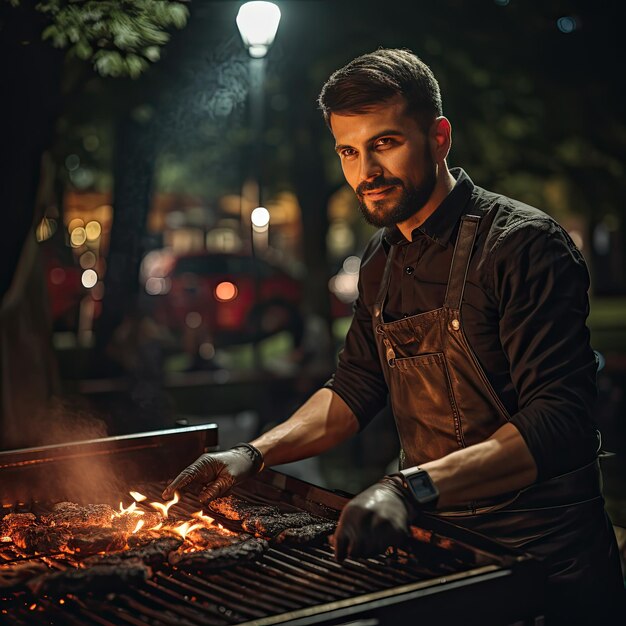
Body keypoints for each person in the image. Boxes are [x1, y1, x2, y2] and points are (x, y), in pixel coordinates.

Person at [163, 49, 624, 624]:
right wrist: (253, 454)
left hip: (547, 561)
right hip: (440, 547)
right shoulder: (381, 259)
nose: (365, 172)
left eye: (385, 143)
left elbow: (559, 421)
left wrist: (407, 490)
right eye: (349, 152)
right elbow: (354, 388)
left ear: (439, 137)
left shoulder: (523, 245)